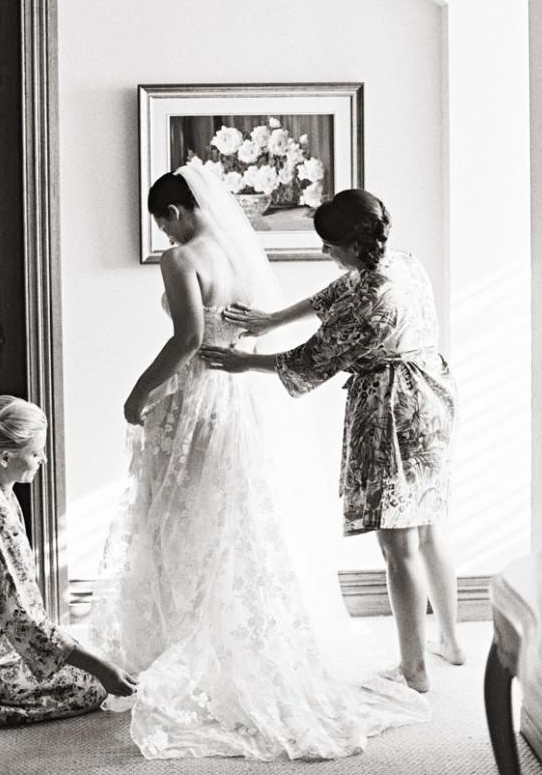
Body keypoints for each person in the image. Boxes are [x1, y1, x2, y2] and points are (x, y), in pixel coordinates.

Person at [89, 164, 430, 761]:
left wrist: (138, 393)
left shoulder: (182, 258)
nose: (165, 235)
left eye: (162, 223)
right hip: (239, 397)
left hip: (198, 394)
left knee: (180, 517)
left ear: (172, 213)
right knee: (237, 516)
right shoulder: (234, 248)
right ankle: (234, 637)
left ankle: (187, 642)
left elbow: (188, 339)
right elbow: (275, 318)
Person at [202, 188, 465, 694]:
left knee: (398, 542)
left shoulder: (371, 297)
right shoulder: (403, 263)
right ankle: (450, 641)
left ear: (351, 244)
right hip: (433, 396)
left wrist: (245, 362)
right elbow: (333, 294)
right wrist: (272, 320)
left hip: (393, 407)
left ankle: (414, 669)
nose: (325, 253)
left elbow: (311, 360)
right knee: (431, 524)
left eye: (329, 245)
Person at [0, 395, 136, 733]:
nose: (43, 459)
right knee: (91, 687)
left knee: (77, 664)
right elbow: (25, 624)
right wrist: (101, 669)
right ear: (5, 457)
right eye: (35, 453)